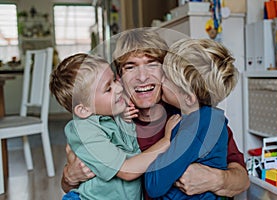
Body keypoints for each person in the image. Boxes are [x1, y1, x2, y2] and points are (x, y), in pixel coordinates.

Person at [61, 28, 250, 198]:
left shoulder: (192, 116)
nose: (142, 77)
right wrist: (69, 177)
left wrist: (216, 179)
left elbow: (242, 179)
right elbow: (78, 189)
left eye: (152, 64)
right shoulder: (107, 123)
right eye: (130, 66)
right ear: (118, 77)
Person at [49, 53, 181, 200]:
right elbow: (126, 171)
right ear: (84, 110)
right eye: (108, 89)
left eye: (114, 80)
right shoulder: (85, 131)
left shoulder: (111, 113)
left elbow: (129, 147)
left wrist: (123, 119)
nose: (118, 88)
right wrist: (167, 141)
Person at [144, 38, 239, 199]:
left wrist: (167, 140)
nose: (160, 80)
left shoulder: (194, 129)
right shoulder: (209, 119)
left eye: (166, 78)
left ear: (188, 98)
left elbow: (154, 184)